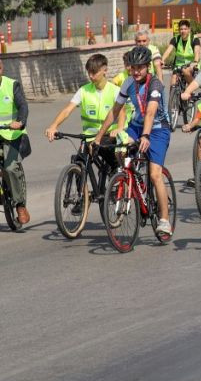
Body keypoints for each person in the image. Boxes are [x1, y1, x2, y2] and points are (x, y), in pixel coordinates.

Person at [92, 45, 174, 241]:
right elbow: (114, 110)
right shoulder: (128, 82)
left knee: (155, 175)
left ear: (147, 67)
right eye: (132, 67)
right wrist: (98, 136)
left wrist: (145, 136)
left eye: (140, 67)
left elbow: (151, 112)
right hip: (136, 126)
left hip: (157, 129)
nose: (136, 71)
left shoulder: (155, 84)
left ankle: (164, 220)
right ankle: (130, 179)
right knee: (120, 152)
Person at [45, 55, 121, 184]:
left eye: (94, 72)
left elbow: (122, 112)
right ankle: (81, 195)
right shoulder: (84, 90)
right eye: (89, 72)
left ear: (104, 70)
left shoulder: (115, 91)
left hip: (109, 135)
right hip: (88, 136)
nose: (91, 76)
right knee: (79, 159)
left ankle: (116, 170)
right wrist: (54, 125)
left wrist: (119, 128)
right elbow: (67, 110)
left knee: (104, 149)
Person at [0, 56, 31, 226]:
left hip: (13, 135)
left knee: (10, 167)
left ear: (1, 69)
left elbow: (23, 106)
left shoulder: (12, 85)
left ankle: (20, 205)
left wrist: (19, 122)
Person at [160, 19, 201, 93]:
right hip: (178, 65)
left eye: (185, 29)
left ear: (189, 30)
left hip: (191, 64)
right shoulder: (176, 39)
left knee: (186, 71)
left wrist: (195, 62)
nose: (183, 31)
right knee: (173, 82)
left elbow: (197, 52)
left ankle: (193, 86)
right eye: (181, 29)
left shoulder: (194, 39)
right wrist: (162, 60)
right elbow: (168, 51)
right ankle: (172, 101)